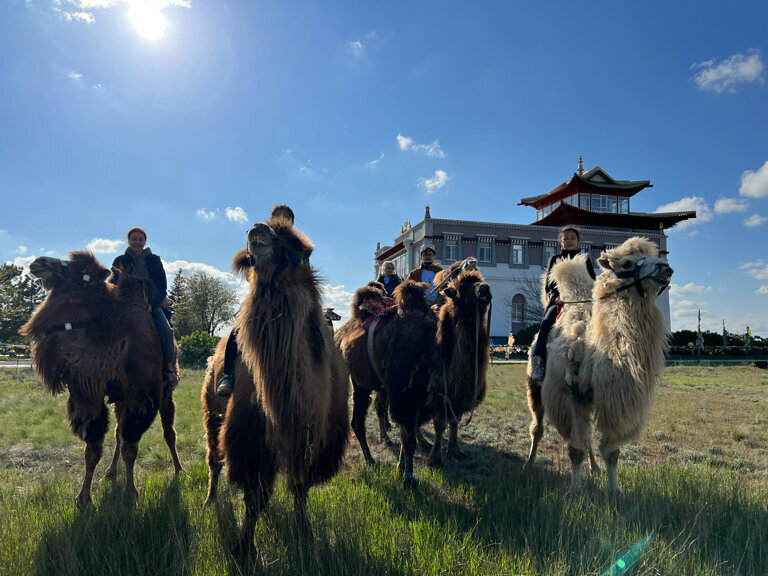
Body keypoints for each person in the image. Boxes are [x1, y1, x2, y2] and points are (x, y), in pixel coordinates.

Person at [216, 204, 295, 397]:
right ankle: (227, 374)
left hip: (291, 301)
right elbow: (248, 265)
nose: (282, 220)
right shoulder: (260, 240)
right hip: (262, 299)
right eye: (278, 217)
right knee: (237, 331)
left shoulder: (296, 245)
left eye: (286, 218)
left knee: (318, 330)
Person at [111, 227, 179, 389]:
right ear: (129, 241)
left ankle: (169, 369)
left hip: (151, 304)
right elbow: (113, 283)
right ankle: (109, 369)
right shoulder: (120, 260)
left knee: (166, 331)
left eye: (140, 239)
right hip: (126, 306)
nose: (137, 242)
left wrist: (152, 304)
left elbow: (161, 286)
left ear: (145, 241)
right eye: (134, 239)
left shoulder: (154, 260)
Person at [530, 226, 596, 381]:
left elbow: (592, 281)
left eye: (573, 238)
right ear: (560, 241)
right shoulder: (554, 259)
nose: (569, 241)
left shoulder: (584, 259)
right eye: (566, 238)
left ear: (578, 241)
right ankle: (539, 362)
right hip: (560, 300)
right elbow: (549, 284)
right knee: (546, 323)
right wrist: (555, 297)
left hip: (582, 300)